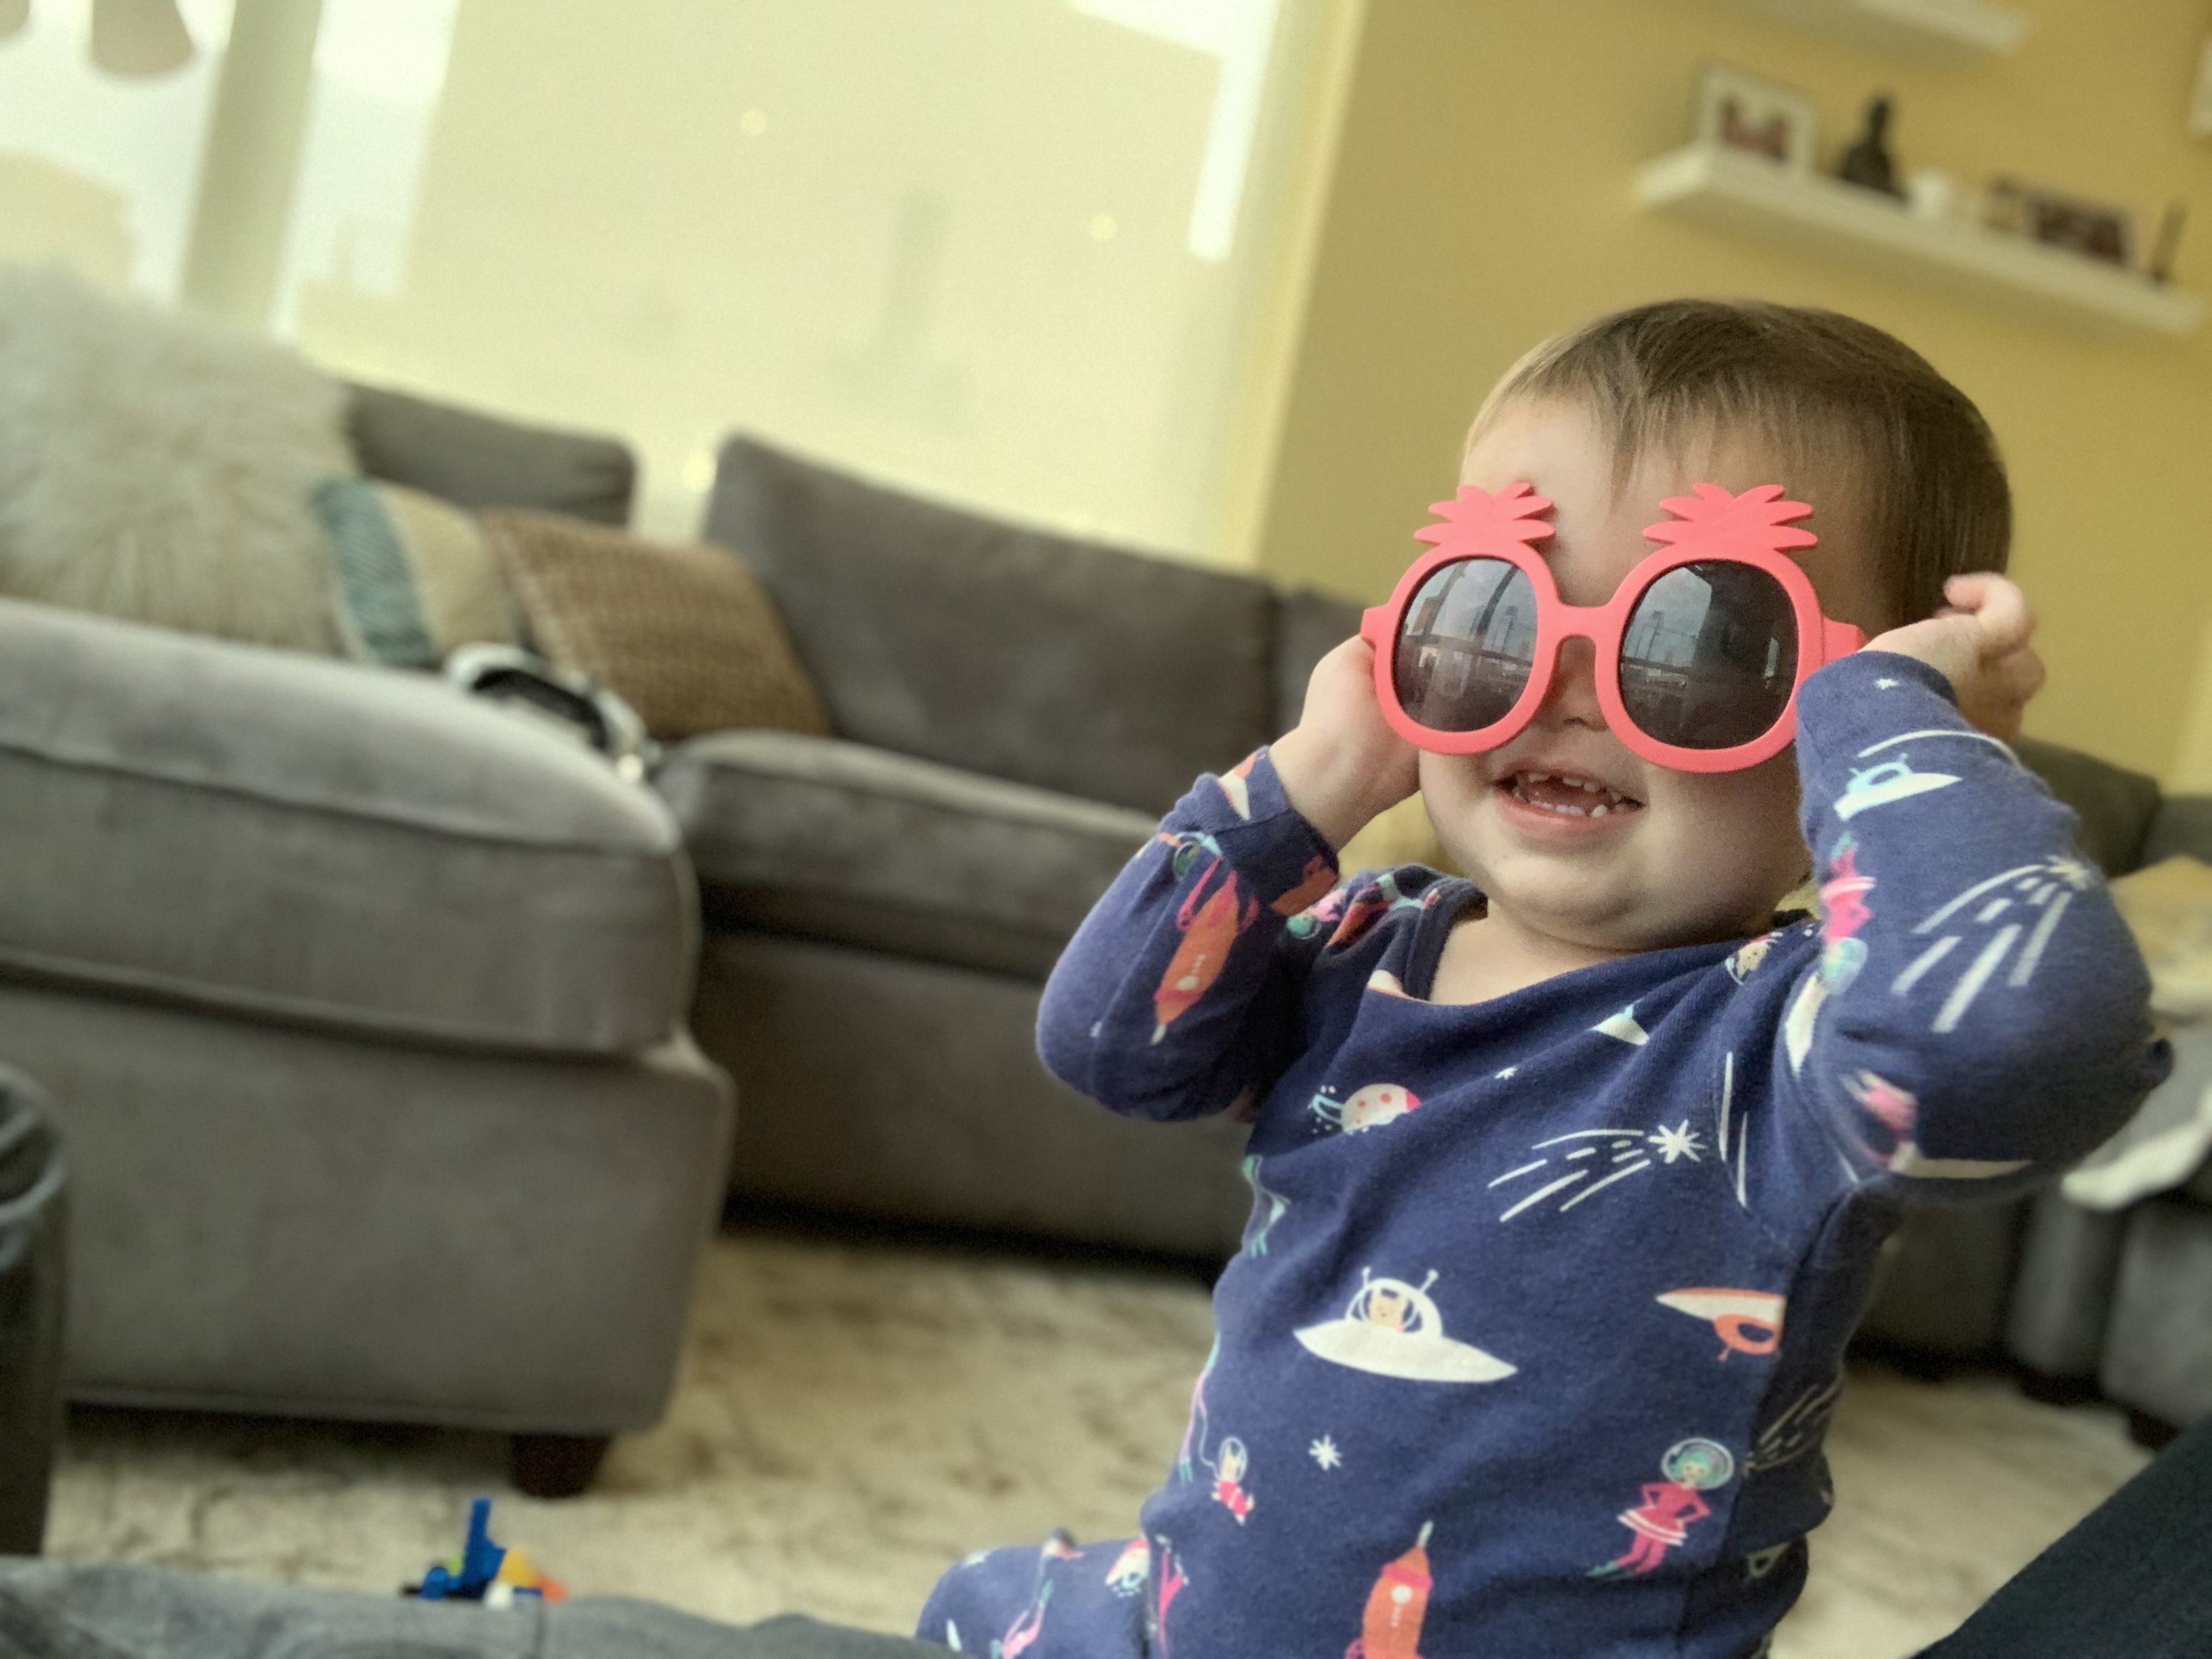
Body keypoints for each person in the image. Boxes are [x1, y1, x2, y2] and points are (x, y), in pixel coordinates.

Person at [915, 299, 2170, 1659]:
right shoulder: (1367, 944)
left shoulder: (1790, 1037)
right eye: (1495, 611)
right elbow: (1112, 1044)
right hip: (1186, 1621)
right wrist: (1310, 781)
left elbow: (2018, 1044)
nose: (1566, 683)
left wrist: (1900, 727)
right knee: (975, 1602)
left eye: (1699, 637)